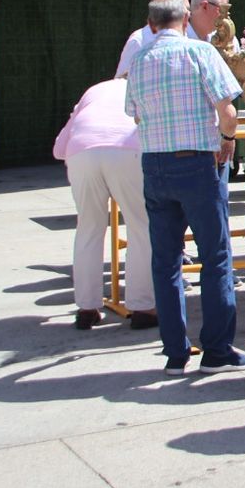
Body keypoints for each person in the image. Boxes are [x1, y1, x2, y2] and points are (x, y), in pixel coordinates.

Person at [125, 0, 245, 376]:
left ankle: (175, 353)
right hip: (197, 163)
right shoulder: (200, 53)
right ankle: (217, 349)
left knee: (165, 261)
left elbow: (134, 114)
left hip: (155, 165)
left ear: (151, 23)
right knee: (215, 257)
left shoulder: (141, 59)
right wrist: (227, 141)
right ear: (185, 20)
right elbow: (228, 111)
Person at [51, 78, 157, 331]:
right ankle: (142, 306)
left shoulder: (93, 91)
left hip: (82, 152)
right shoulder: (145, 86)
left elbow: (59, 148)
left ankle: (87, 307)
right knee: (141, 227)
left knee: (88, 228)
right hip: (128, 150)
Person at [115, 0, 192, 78]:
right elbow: (121, 80)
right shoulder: (139, 39)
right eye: (182, 8)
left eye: (188, 9)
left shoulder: (189, 37)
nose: (188, 13)